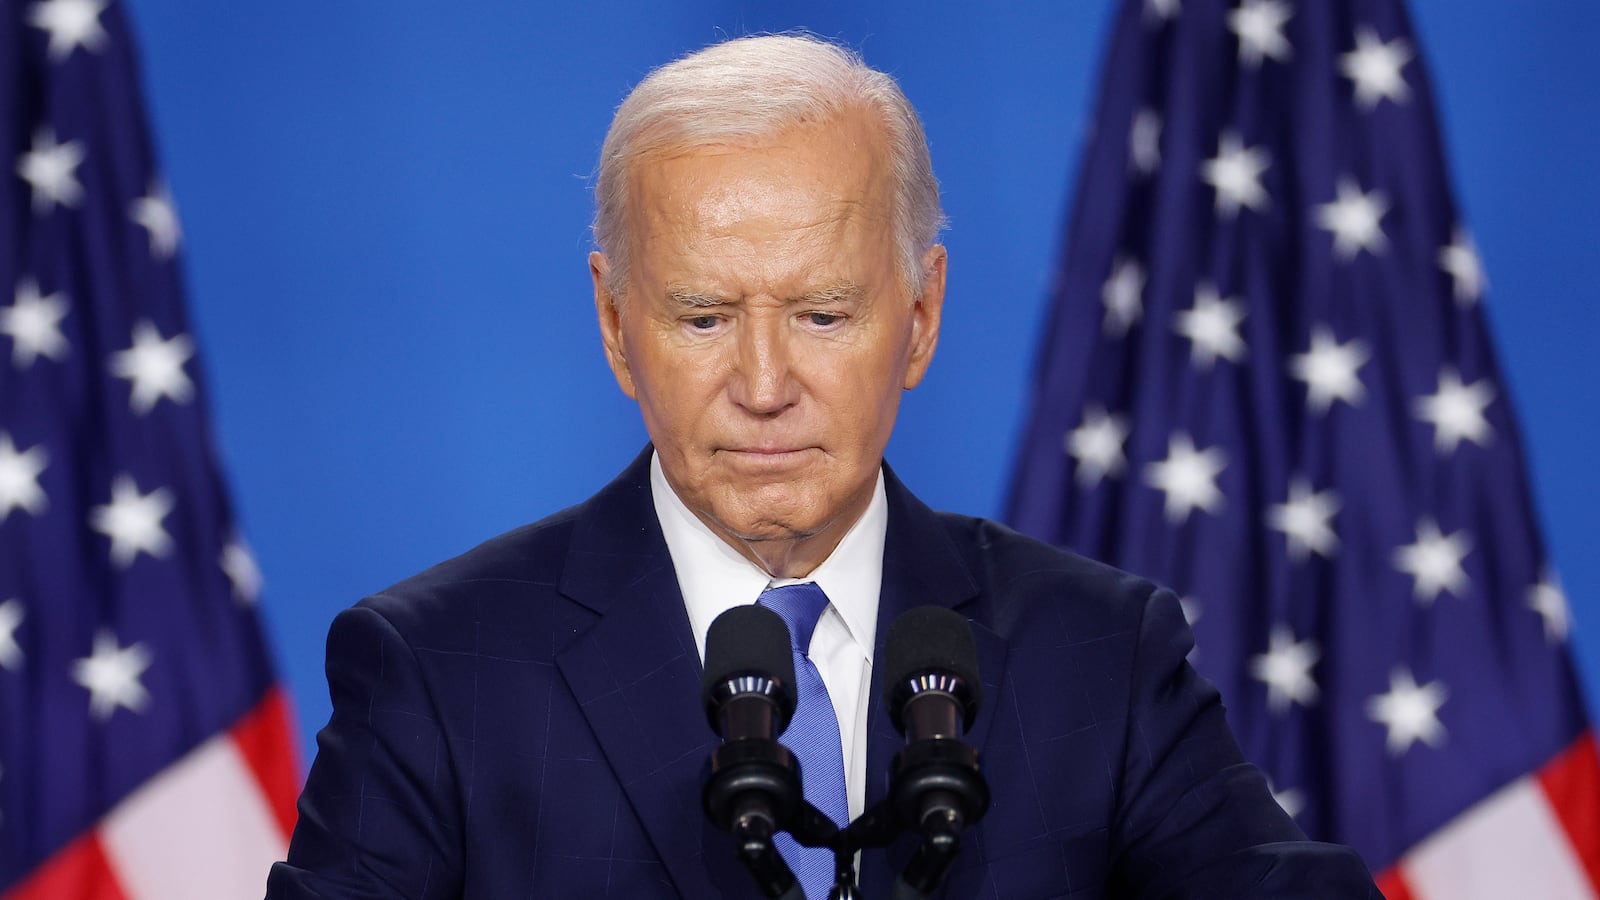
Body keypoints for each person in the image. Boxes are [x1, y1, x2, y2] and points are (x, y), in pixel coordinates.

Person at [266, 34, 1379, 900]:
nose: (761, 383)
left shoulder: (1098, 657)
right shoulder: (444, 669)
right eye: (702, 318)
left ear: (923, 315)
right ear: (614, 327)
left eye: (822, 312)